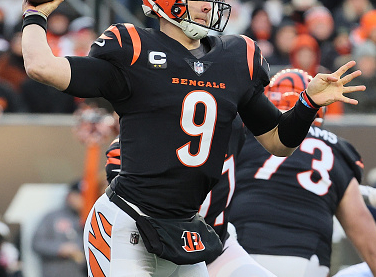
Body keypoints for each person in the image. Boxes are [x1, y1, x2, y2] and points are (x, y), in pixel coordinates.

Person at [21, 0, 365, 275]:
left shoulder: (236, 58)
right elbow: (42, 67)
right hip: (126, 225)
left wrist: (307, 104)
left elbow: (278, 142)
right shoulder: (133, 49)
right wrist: (36, 13)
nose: (207, 4)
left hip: (186, 232)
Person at [228, 68, 376, 277]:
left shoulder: (241, 136)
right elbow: (374, 250)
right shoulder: (335, 149)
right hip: (306, 264)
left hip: (238, 259)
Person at [104, 116, 277, 276]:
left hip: (213, 244)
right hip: (151, 243)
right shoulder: (167, 117)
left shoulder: (238, 116)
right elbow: (118, 165)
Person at [32, 180, 87, 277]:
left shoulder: (90, 219)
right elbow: (37, 243)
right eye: (79, 195)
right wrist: (60, 248)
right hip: (54, 272)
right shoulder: (52, 217)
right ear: (69, 195)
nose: (82, 199)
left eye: (85, 196)